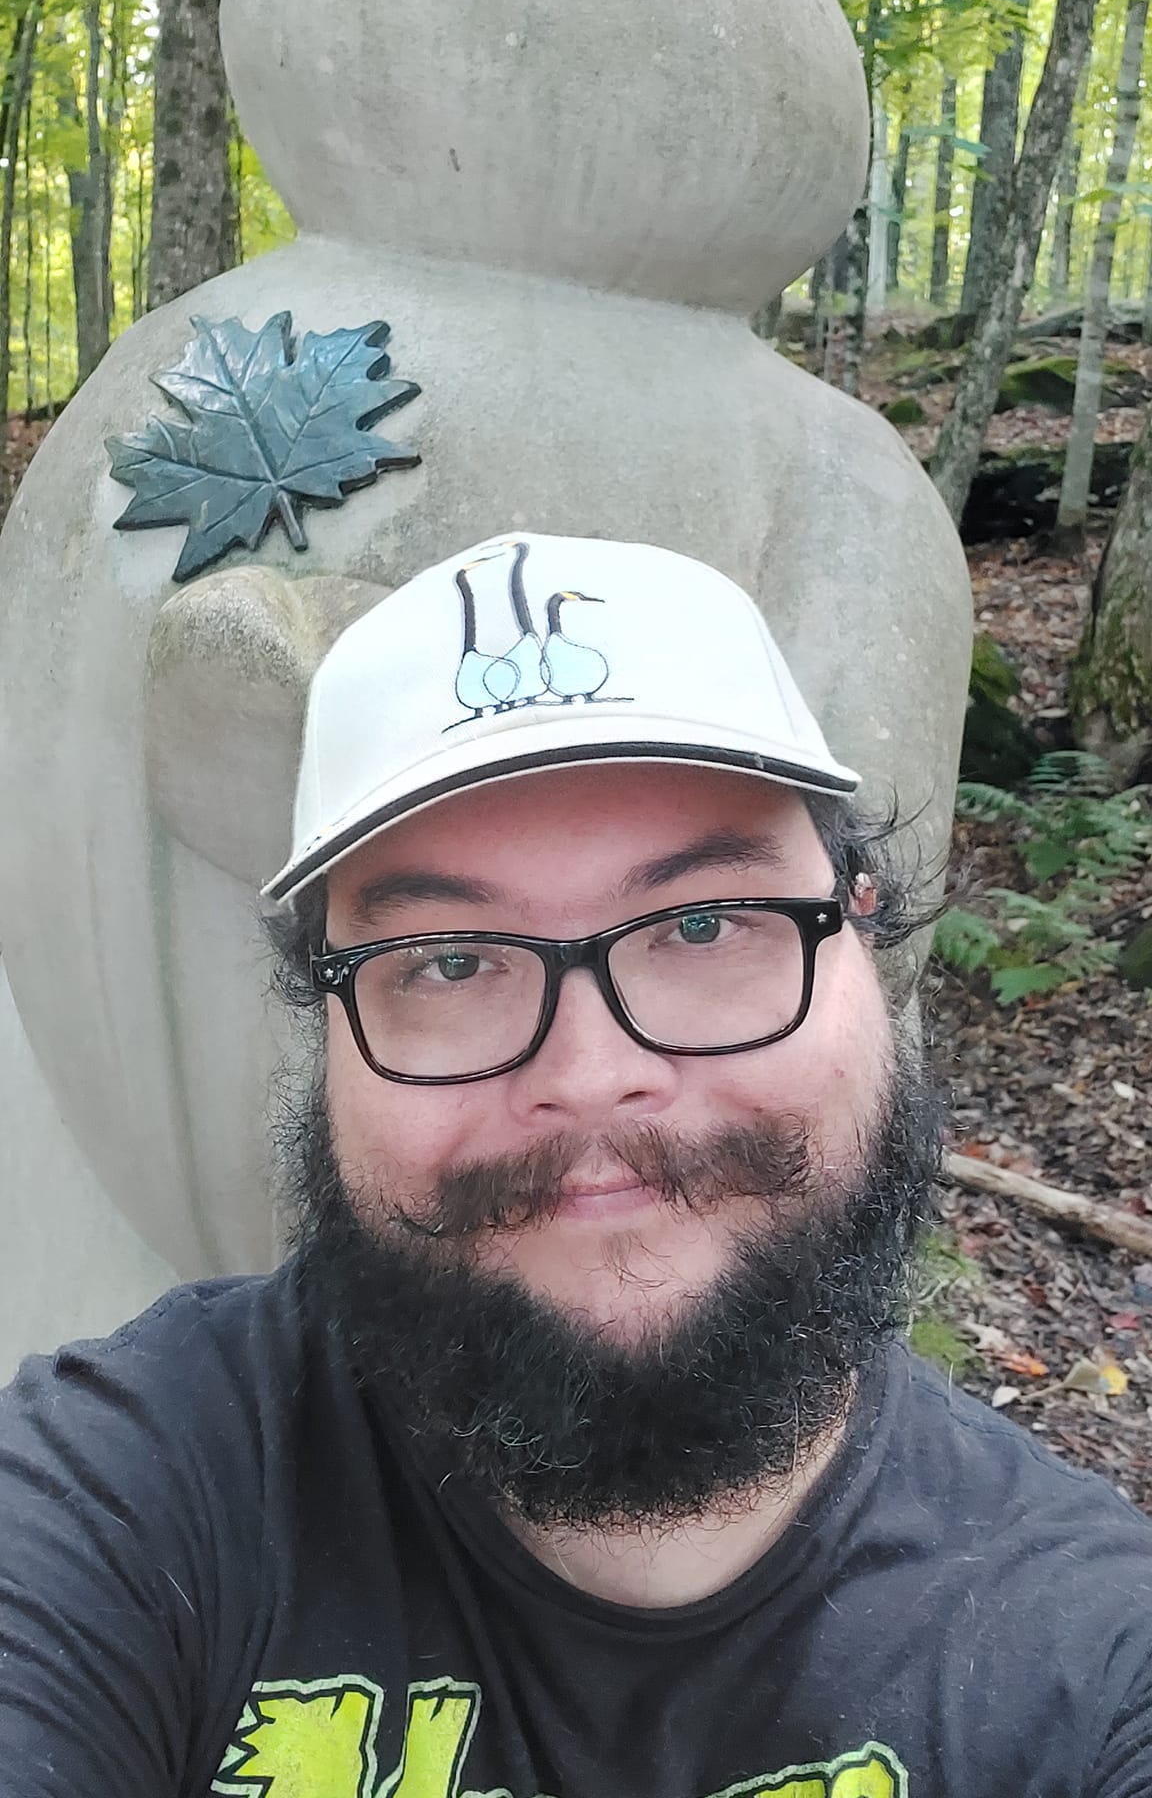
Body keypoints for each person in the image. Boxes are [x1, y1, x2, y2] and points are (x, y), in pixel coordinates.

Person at [0, 530, 1149, 1798]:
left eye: (705, 922)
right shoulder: (120, 1497)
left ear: (863, 937)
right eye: (448, 960)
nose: (593, 1072)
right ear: (321, 1026)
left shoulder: (1093, 1663)